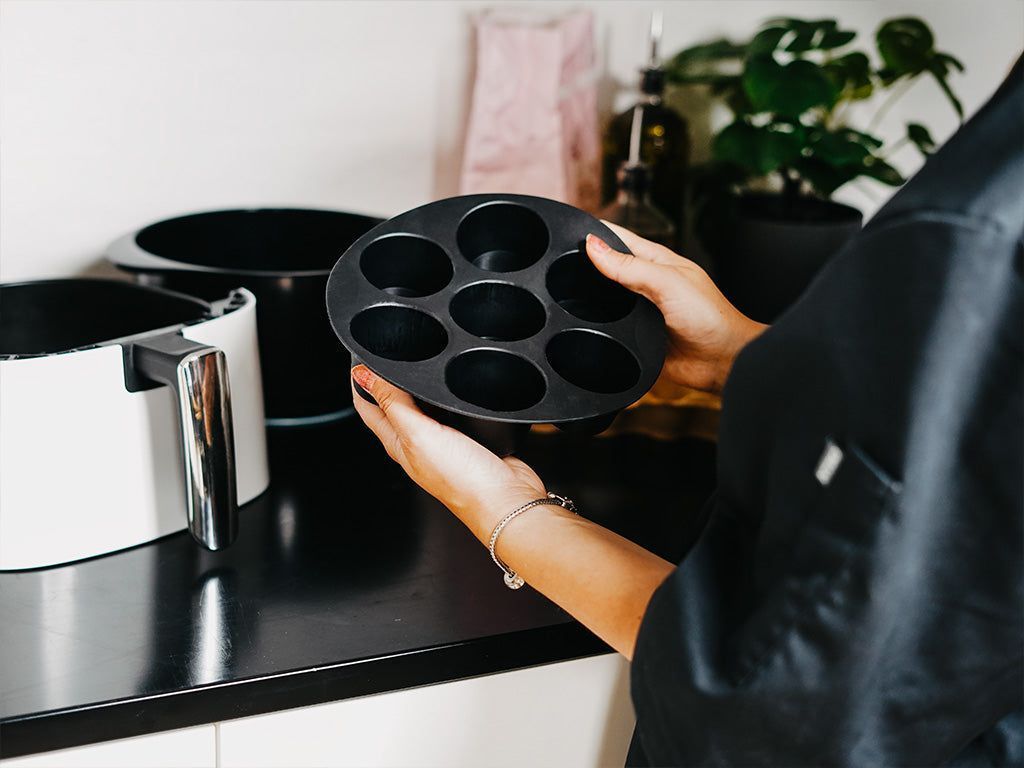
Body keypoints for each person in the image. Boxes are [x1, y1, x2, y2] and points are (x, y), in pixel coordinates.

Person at [350, 60, 1023, 766]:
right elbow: (959, 449)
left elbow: (769, 708)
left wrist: (509, 512)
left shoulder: (990, 228)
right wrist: (740, 355)